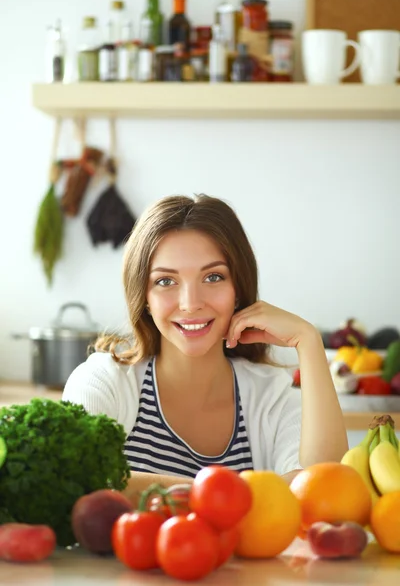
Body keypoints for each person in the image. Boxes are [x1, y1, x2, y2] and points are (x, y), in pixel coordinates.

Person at [63, 194, 348, 504]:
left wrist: (308, 341)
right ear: (143, 295)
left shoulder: (273, 397)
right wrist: (223, 496)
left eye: (213, 277)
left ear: (238, 289)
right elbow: (80, 477)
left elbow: (322, 493)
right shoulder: (104, 382)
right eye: (165, 281)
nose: (191, 303)